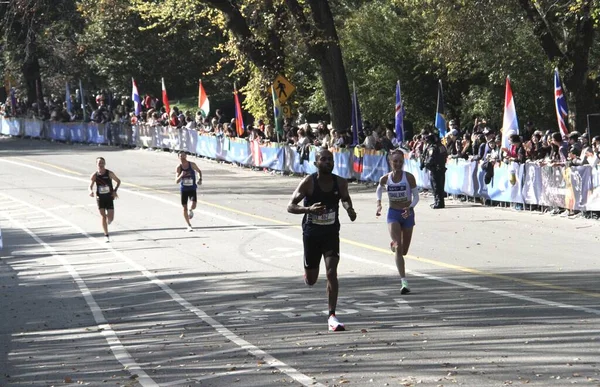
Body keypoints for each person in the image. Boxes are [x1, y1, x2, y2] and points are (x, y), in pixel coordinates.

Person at [287, 148, 357, 332]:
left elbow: (346, 199)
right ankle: (307, 275)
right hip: (312, 233)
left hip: (331, 233)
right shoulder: (309, 182)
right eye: (324, 159)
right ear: (316, 162)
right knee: (312, 278)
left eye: (330, 159)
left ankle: (332, 315)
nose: (328, 162)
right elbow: (290, 206)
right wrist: (309, 210)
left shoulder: (340, 183)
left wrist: (349, 209)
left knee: (332, 272)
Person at [375, 150, 418, 294]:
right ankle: (404, 282)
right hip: (393, 214)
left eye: (400, 161)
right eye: (395, 161)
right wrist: (379, 204)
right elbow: (379, 190)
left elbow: (416, 197)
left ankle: (394, 245)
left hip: (407, 214)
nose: (398, 164)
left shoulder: (409, 178)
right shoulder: (385, 179)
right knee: (399, 247)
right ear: (390, 162)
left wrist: (410, 207)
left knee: (403, 251)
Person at [89, 157, 121, 243]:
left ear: (105, 164)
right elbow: (90, 186)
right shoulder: (94, 175)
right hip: (100, 198)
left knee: (110, 218)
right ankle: (106, 235)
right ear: (96, 164)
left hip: (109, 197)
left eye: (102, 163)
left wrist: (115, 191)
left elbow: (118, 181)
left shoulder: (109, 173)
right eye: (99, 163)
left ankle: (108, 221)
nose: (101, 164)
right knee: (103, 216)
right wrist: (90, 191)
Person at [175, 151, 203, 231]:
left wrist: (200, 179)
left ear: (186, 156)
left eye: (184, 156)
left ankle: (191, 210)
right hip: (184, 189)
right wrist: (181, 175)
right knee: (184, 208)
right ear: (178, 158)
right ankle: (189, 225)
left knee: (193, 205)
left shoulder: (192, 164)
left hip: (192, 188)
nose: (183, 158)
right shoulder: (179, 167)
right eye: (181, 157)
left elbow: (199, 171)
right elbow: (176, 181)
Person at [421, 134, 447, 208]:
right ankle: (439, 201)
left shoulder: (433, 148)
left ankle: (438, 202)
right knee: (440, 187)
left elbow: (431, 159)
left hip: (435, 169)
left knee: (436, 187)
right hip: (442, 168)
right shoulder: (441, 146)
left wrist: (426, 164)